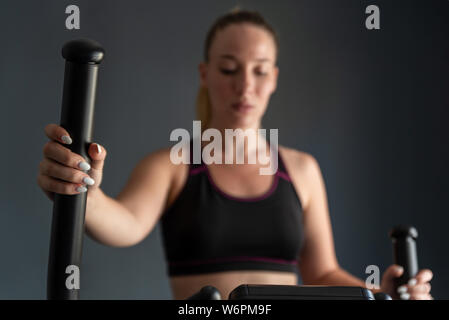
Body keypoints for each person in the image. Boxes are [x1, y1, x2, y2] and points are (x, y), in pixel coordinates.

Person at [37, 9, 433, 300]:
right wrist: (83, 186)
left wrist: (381, 295)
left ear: (274, 78)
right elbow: (122, 223)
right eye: (229, 69)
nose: (245, 85)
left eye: (259, 71)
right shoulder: (173, 166)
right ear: (205, 74)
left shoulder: (302, 170)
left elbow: (322, 272)